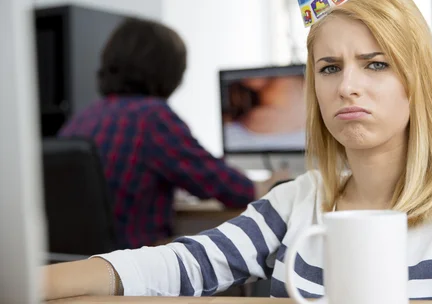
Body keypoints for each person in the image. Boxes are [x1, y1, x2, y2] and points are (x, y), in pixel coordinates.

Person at [44, 0, 432, 301]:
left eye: (375, 63)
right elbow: (185, 262)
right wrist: (32, 283)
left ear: (415, 82)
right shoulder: (298, 200)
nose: (347, 86)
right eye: (329, 68)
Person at [58, 17, 289, 249]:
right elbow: (218, 182)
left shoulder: (83, 118)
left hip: (81, 269)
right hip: (132, 268)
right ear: (169, 72)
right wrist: (269, 185)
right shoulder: (151, 117)